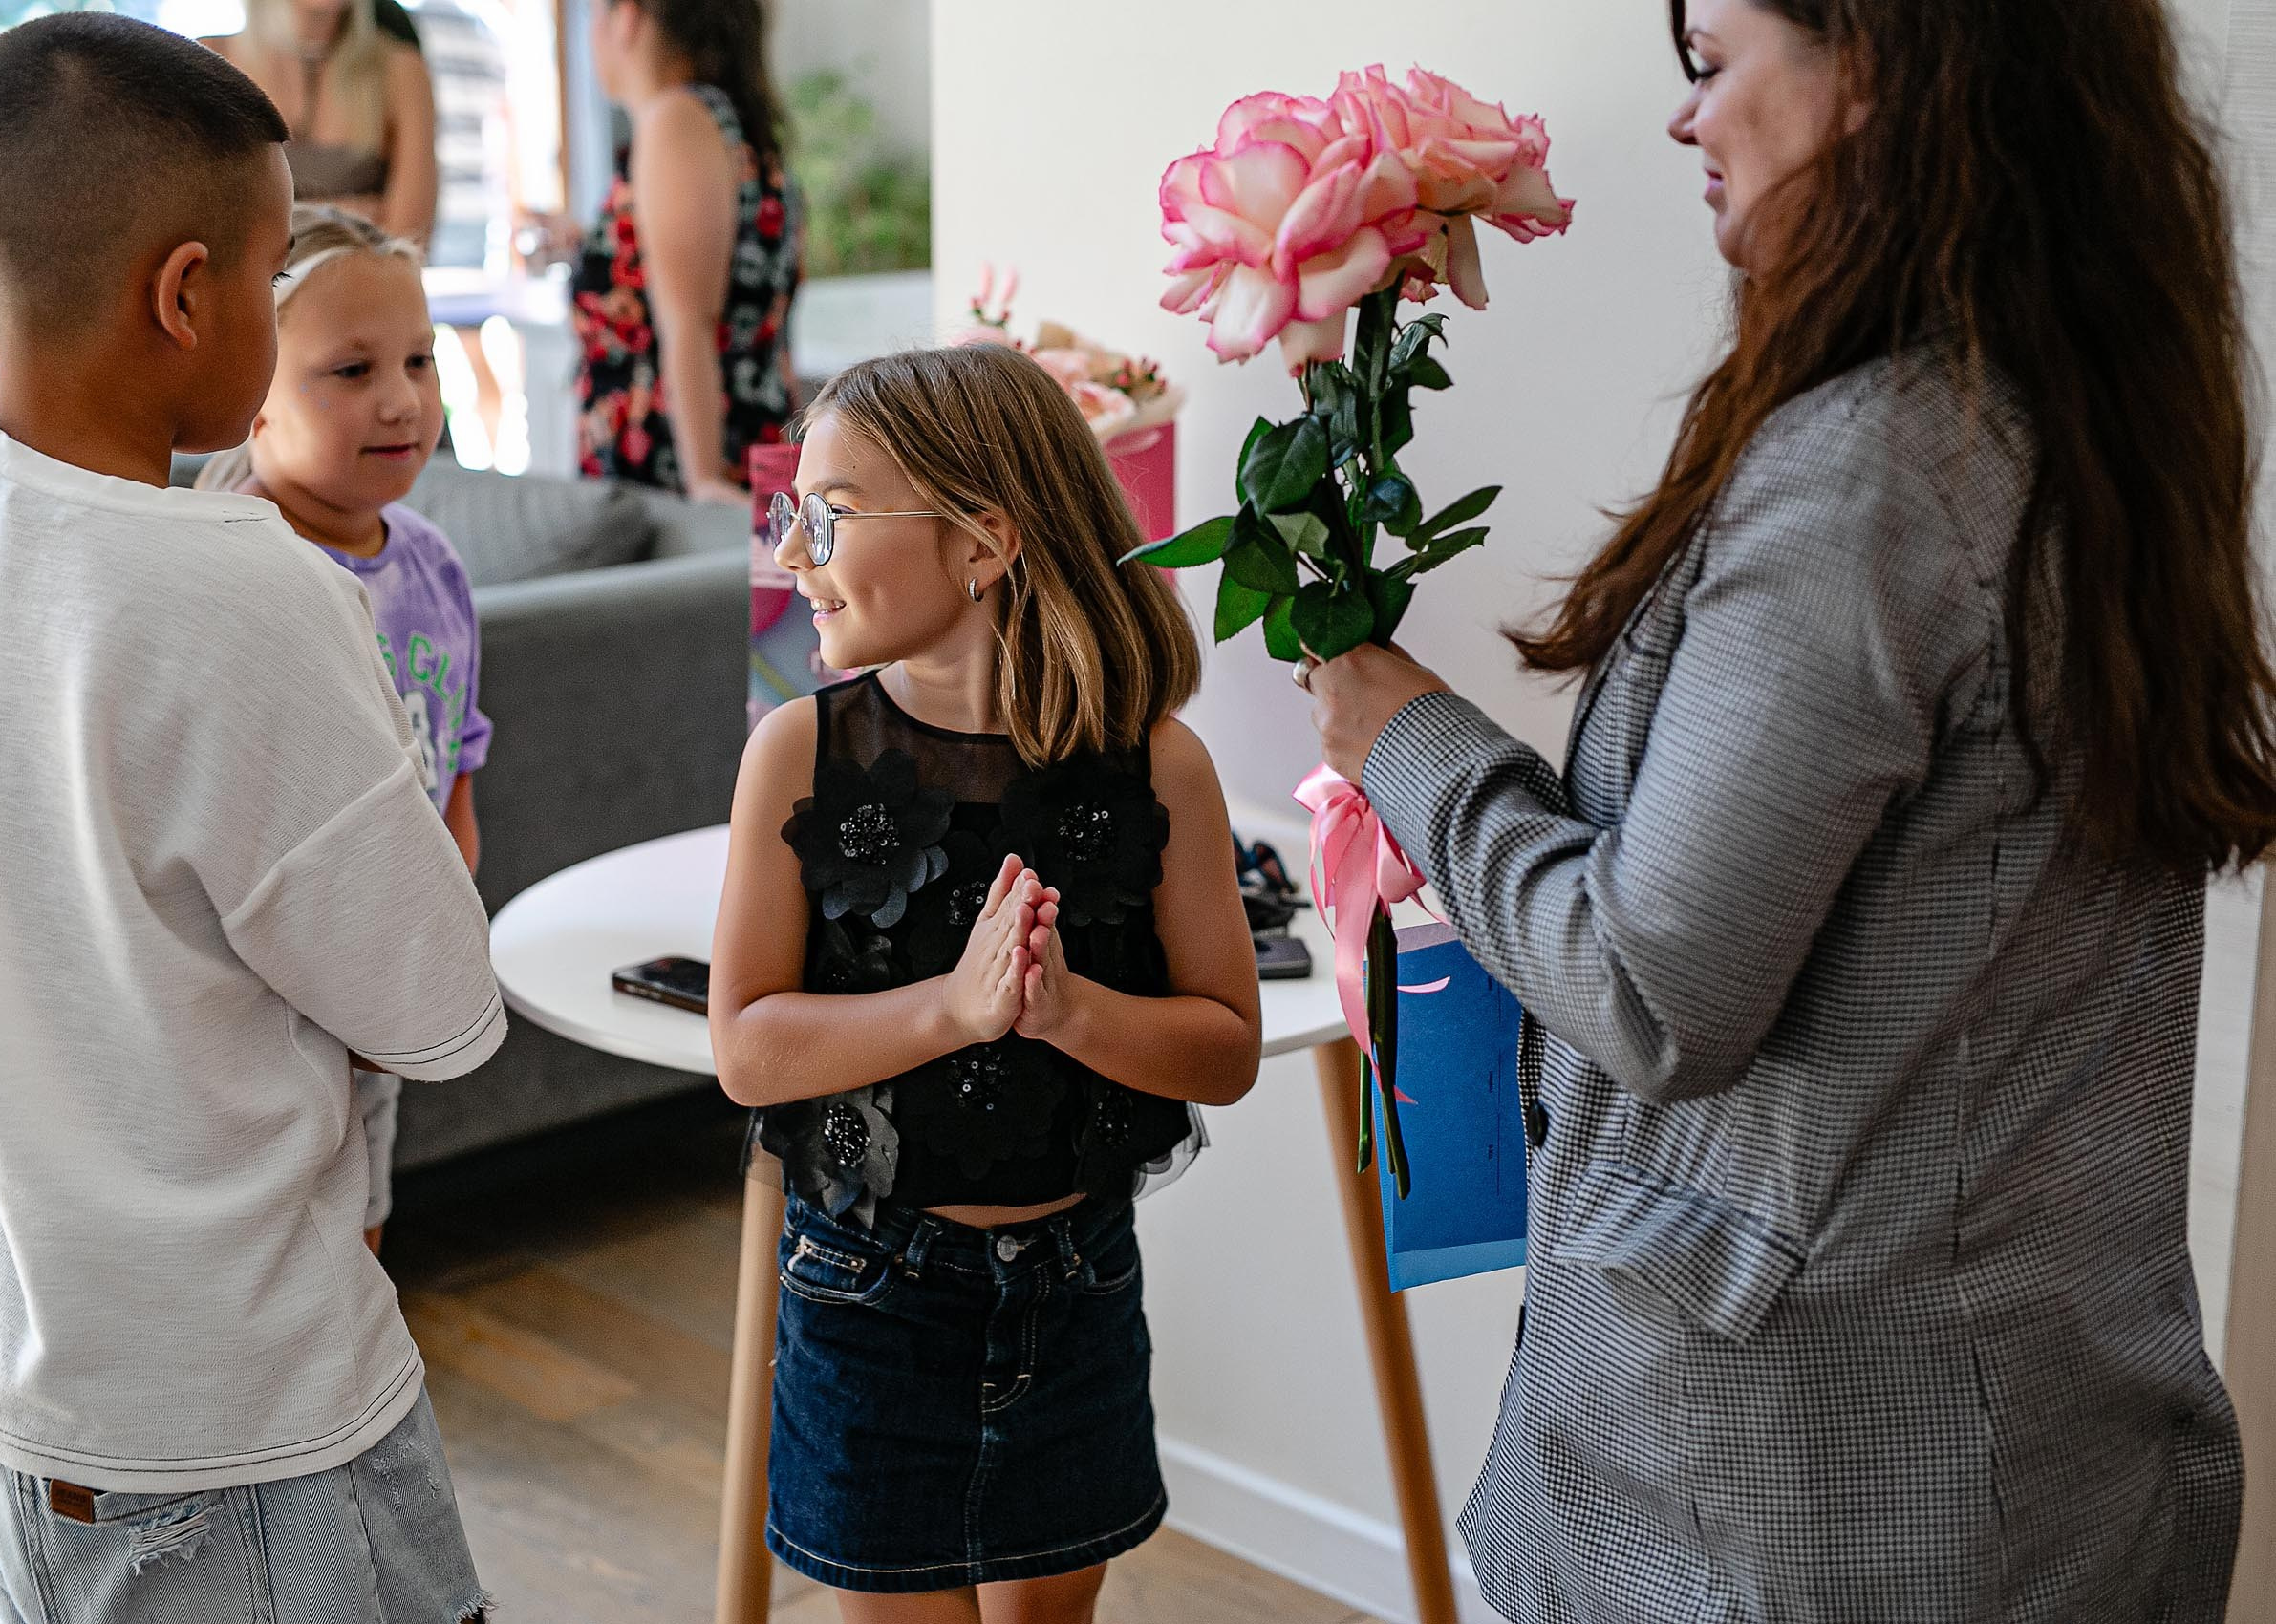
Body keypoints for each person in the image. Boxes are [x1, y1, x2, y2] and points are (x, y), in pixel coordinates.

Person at [1300, 0, 2271, 1618]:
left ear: (1883, 64)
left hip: (1811, 1496)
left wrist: (1415, 742)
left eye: (1715, 61)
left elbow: (1653, 990)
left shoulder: (1878, 470)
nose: (1689, 122)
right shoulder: (2071, 424)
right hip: (2036, 1426)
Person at [0, 16, 501, 1621]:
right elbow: (439, 1011)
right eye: (275, 274)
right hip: (218, 1402)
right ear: (186, 293)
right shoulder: (250, 593)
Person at [709, 343, 1262, 1623]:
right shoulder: (798, 754)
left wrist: (1073, 1013)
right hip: (865, 1300)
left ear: (982, 543)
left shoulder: (1158, 769)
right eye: (793, 515)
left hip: (1074, 1296)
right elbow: (746, 1047)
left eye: (828, 516)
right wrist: (953, 1011)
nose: (793, 553)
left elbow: (1223, 1050)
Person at [200, 203, 491, 1255]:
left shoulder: (432, 563)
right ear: (253, 401)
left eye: (417, 358)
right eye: (351, 370)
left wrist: (432, 944)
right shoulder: (235, 567)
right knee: (281, 1244)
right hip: (262, 1006)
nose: (403, 399)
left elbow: (456, 754)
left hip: (384, 981)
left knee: (362, 1223)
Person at [575, 0, 798, 502]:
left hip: (670, 475)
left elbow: (689, 322)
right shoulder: (721, 120)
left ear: (627, 16)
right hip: (742, 447)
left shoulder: (676, 120)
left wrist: (704, 481)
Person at [208, 0, 439, 244]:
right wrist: (344, 214)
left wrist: (261, 215)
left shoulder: (402, 70)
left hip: (358, 282)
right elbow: (205, 225)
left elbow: (408, 240)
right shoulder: (211, 61)